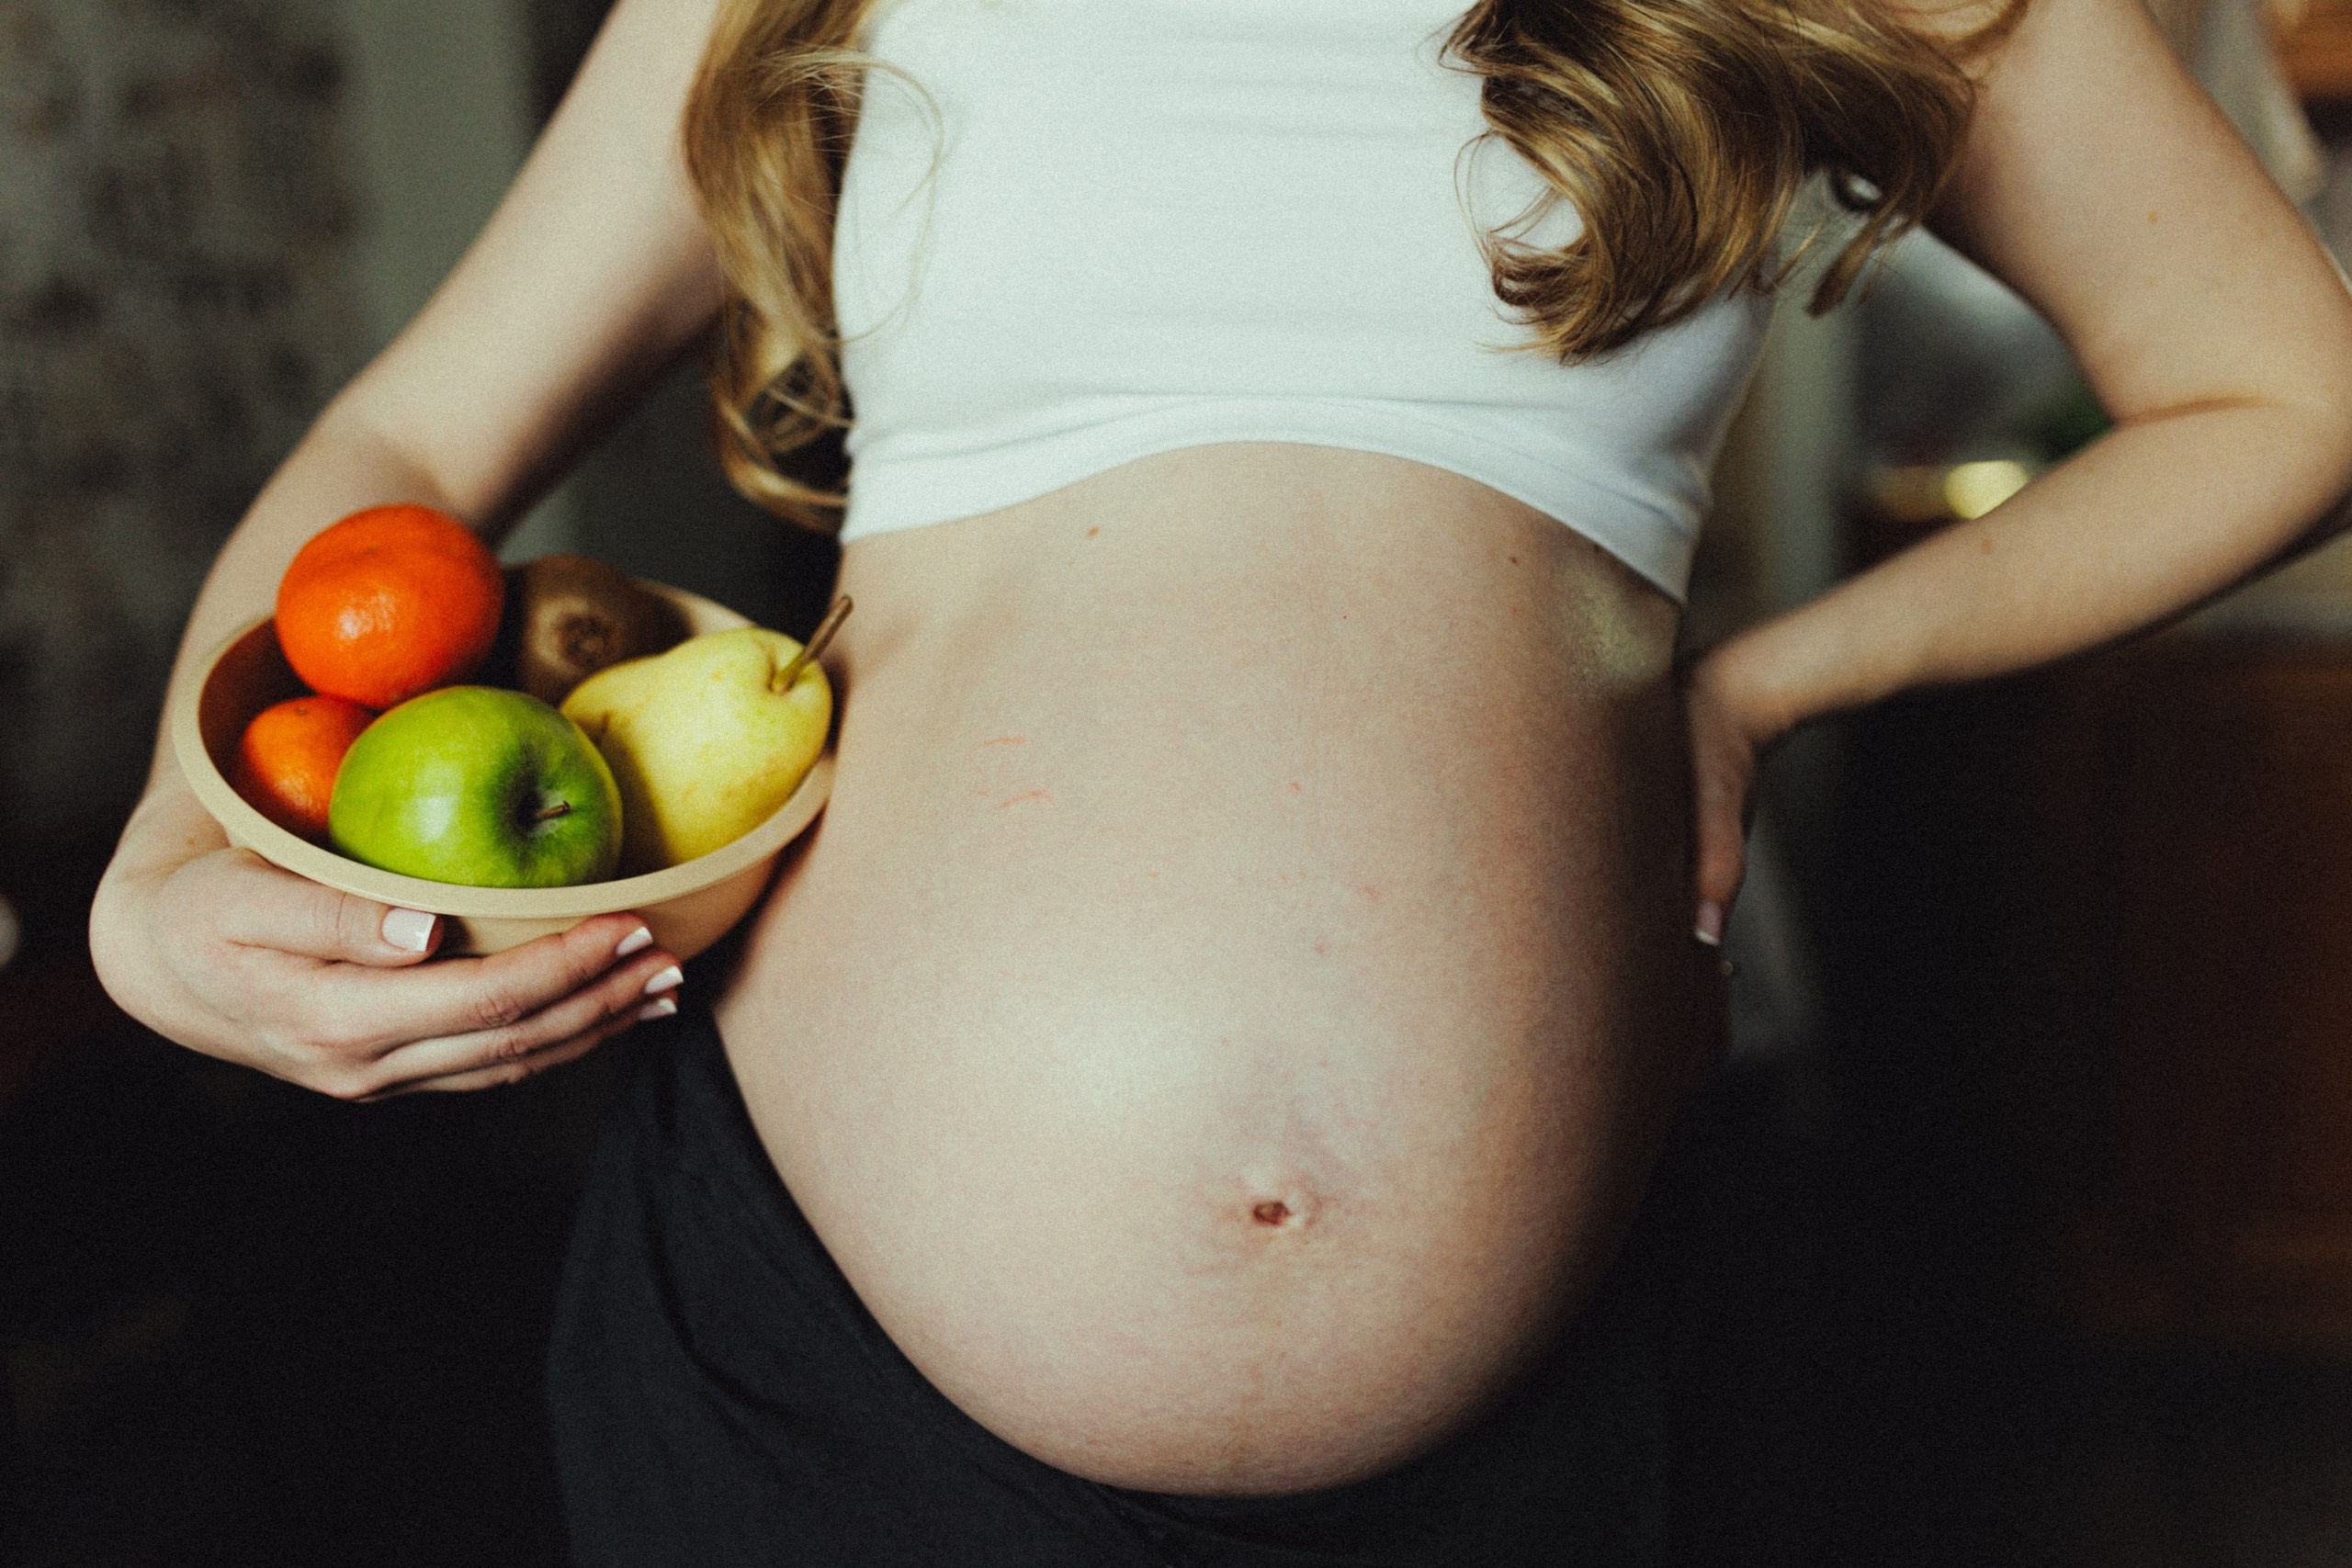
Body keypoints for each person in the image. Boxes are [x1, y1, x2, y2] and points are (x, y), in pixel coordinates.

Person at [87, 0, 2352, 1560]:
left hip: (1517, 1426)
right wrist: (156, 873)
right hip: (816, 1385)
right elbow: (404, 444)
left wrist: (1758, 687)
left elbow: (2277, 391)